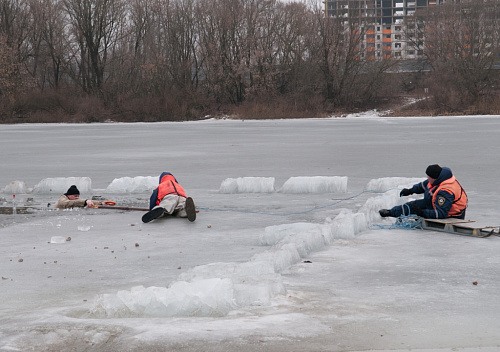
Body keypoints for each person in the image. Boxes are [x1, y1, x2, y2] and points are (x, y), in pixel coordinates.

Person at [379, 164, 468, 219]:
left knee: (417, 207)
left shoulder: (446, 191)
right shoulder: (438, 179)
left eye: (429, 177)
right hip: (434, 203)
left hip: (451, 213)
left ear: (434, 178)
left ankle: (392, 212)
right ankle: (390, 212)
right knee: (412, 205)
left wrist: (422, 213)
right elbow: (424, 185)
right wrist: (410, 191)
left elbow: (441, 213)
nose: (427, 178)